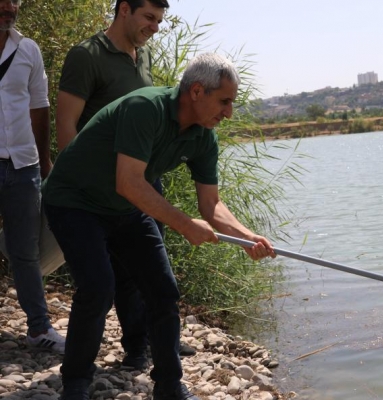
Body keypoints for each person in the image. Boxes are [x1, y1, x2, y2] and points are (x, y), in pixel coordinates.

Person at [43, 53, 276, 400]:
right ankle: (75, 385)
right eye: (224, 101)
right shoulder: (144, 108)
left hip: (126, 208)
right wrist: (184, 225)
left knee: (163, 291)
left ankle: (169, 386)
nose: (228, 112)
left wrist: (246, 237)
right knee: (98, 288)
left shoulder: (204, 135)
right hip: (75, 202)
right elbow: (130, 182)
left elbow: (210, 205)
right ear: (197, 91)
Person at [54, 0, 196, 369]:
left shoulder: (142, 55)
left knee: (148, 268)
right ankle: (131, 348)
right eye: (149, 17)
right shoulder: (87, 56)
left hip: (144, 180)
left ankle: (153, 342)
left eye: (160, 20)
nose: (155, 27)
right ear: (124, 10)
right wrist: (78, 181)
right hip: (98, 187)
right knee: (110, 276)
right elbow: (66, 124)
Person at [0, 0, 64, 353]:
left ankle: (39, 329)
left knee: (25, 251)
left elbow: (39, 105)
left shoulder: (28, 49)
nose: (9, 6)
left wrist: (44, 160)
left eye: (14, 0)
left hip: (23, 166)